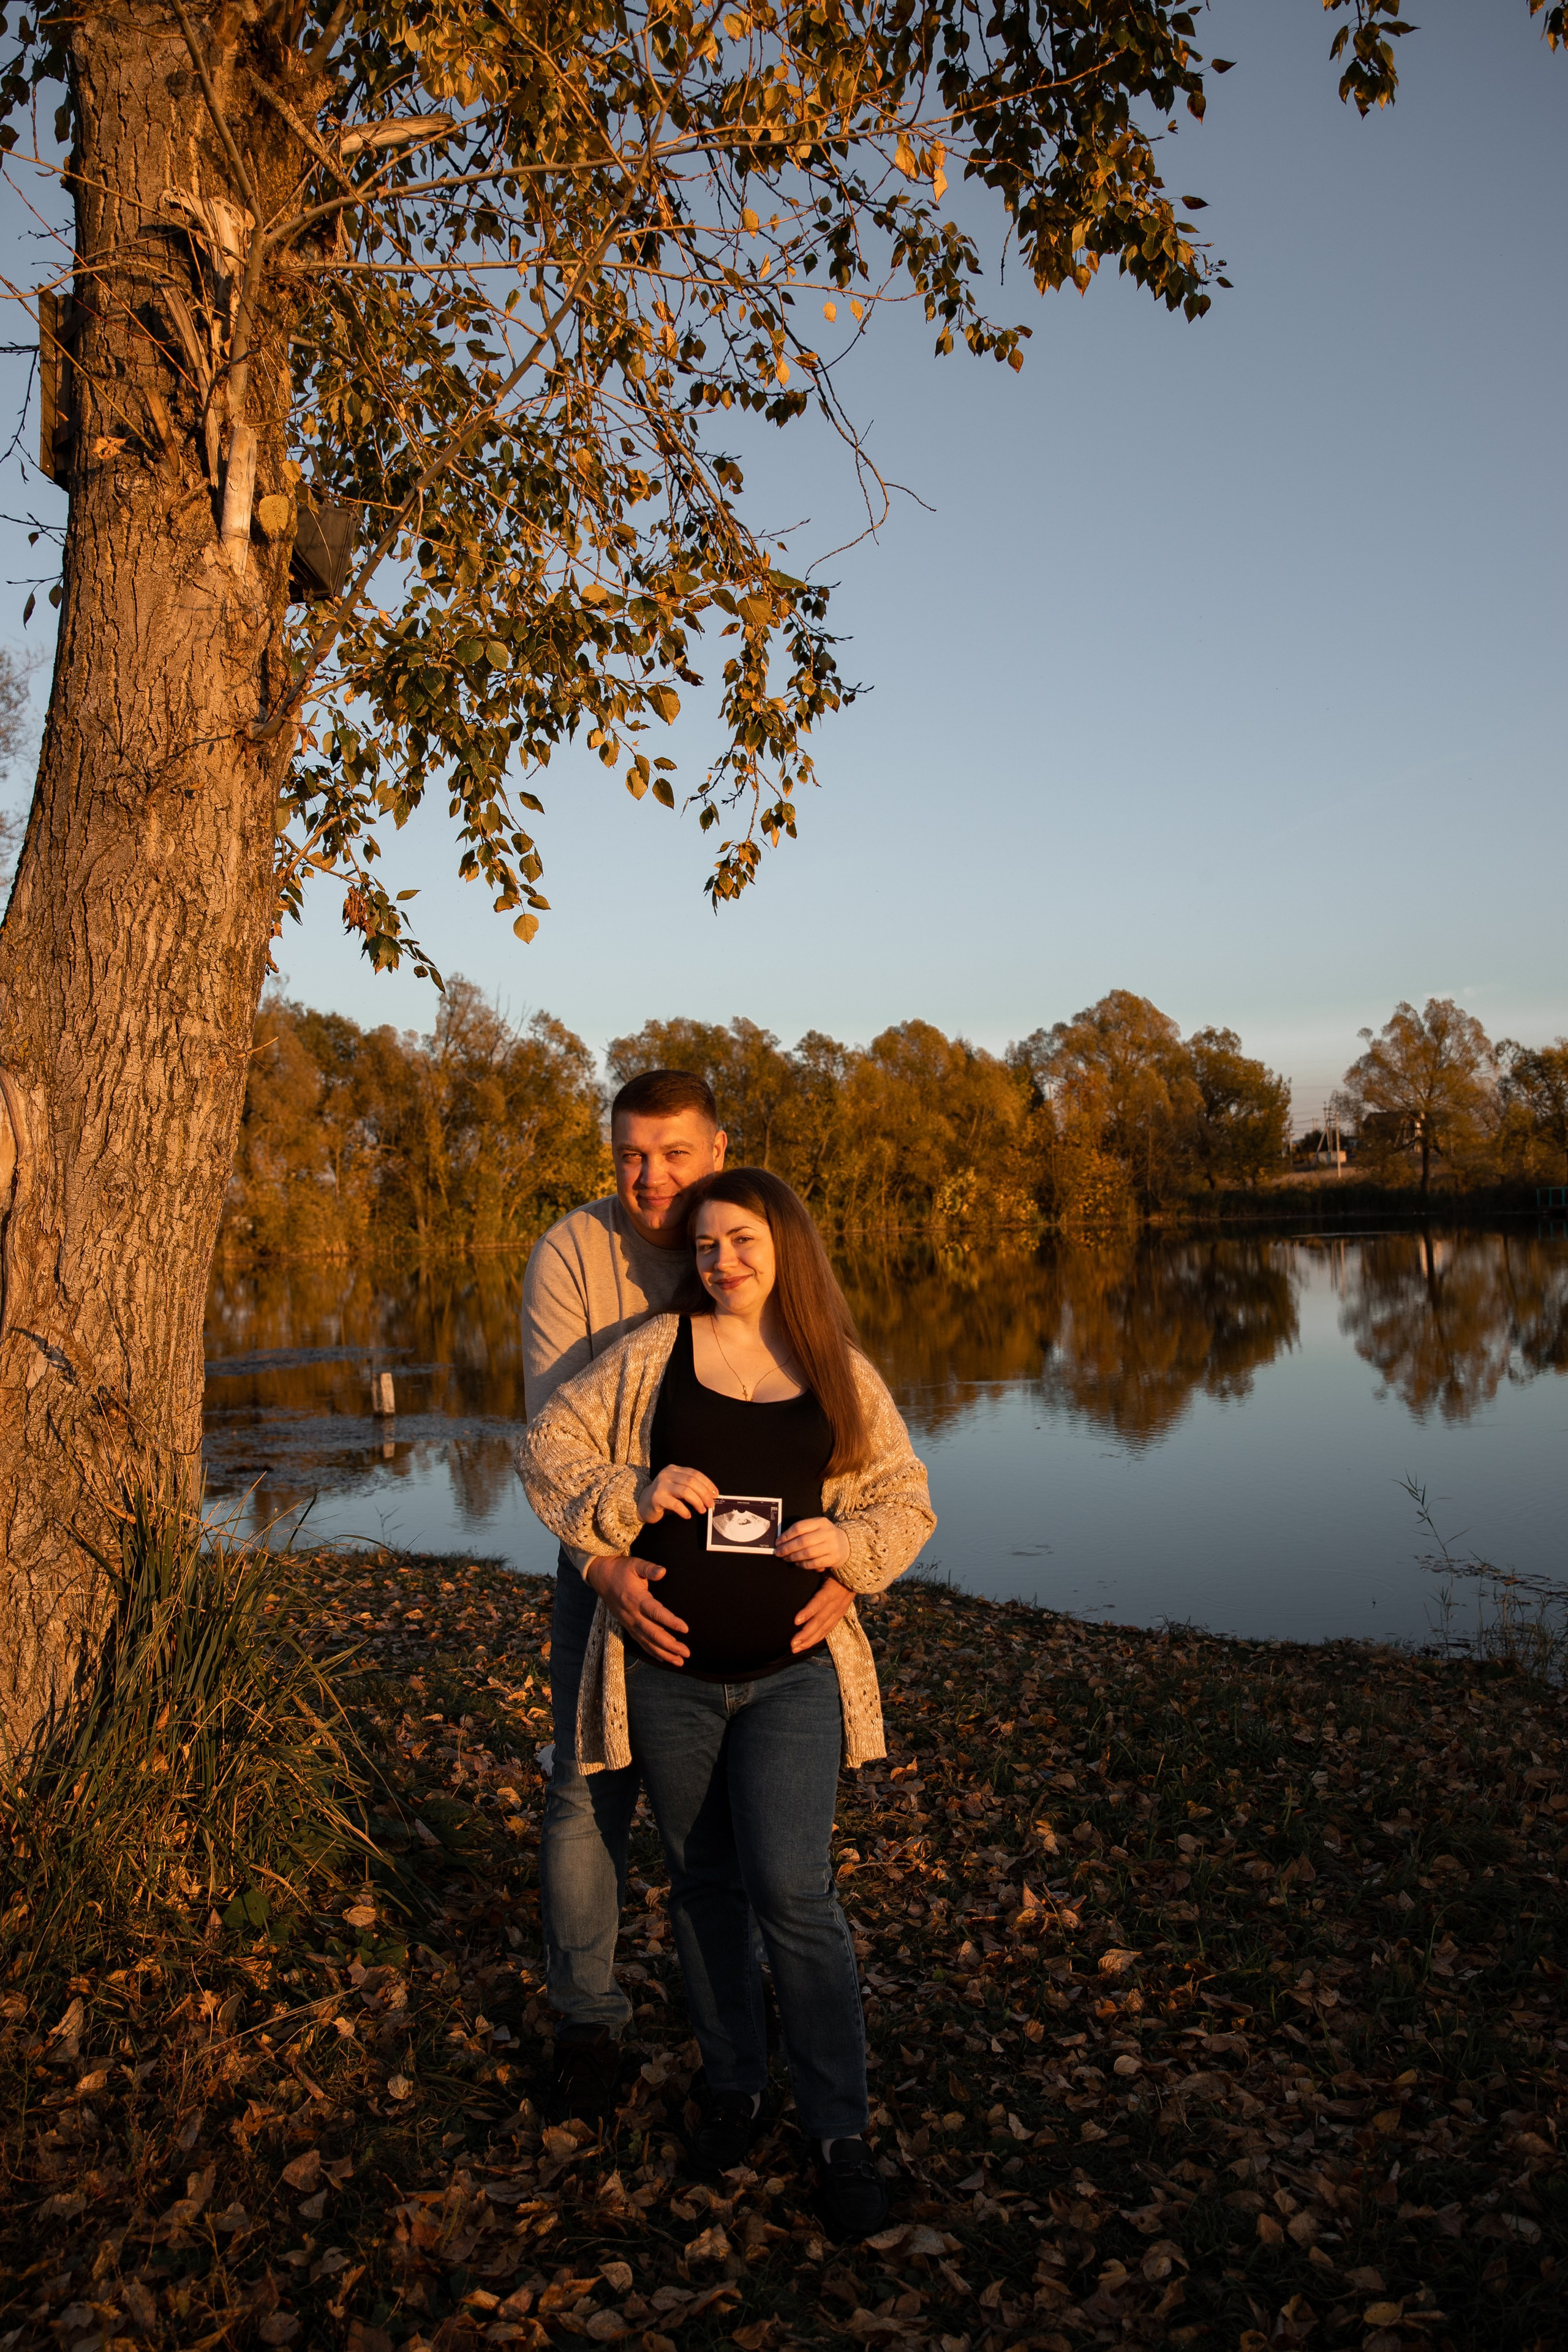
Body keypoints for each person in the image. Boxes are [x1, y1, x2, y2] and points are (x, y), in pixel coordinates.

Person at [518, 1168, 935, 2238]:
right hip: (666, 1677)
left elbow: (905, 1495)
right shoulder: (654, 1356)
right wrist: (631, 1501)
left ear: (785, 1245)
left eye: (742, 1242)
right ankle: (736, 2088)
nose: (722, 1263)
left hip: (794, 1680)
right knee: (704, 1886)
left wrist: (854, 1553)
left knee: (794, 1891)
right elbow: (547, 1450)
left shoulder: (838, 1371)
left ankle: (840, 2128)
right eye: (705, 1248)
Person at [521, 1071, 856, 2116]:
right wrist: (605, 1564)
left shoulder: (757, 1235)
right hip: (607, 1559)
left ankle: (787, 2071)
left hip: (765, 1638)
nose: (649, 1175)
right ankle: (589, 2019)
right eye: (630, 1154)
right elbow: (553, 1437)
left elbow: (849, 1443)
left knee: (761, 1864)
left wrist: (852, 1562)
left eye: (673, 1154)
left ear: (718, 1150)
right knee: (586, 1791)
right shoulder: (575, 1253)